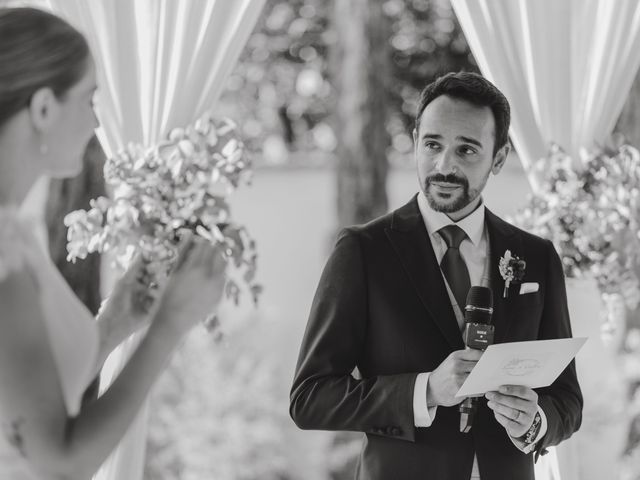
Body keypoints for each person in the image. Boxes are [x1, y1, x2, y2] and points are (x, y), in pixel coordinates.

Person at [290, 71, 582, 480]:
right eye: (433, 144)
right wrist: (424, 389)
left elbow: (567, 400)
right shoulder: (363, 251)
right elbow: (310, 397)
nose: (445, 165)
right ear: (414, 143)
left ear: (498, 158)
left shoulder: (536, 256)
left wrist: (535, 423)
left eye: (467, 150)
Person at [0, 7, 227, 480]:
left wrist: (116, 322)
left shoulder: (16, 235)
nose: (94, 120)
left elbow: (28, 406)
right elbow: (58, 461)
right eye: (89, 99)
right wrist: (169, 325)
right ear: (43, 107)